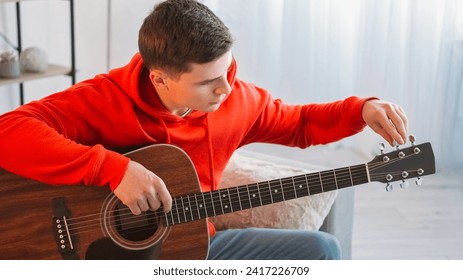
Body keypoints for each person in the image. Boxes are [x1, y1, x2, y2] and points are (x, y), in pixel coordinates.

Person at [0, 0, 407, 260]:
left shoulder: (236, 98)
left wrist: (362, 109)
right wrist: (114, 169)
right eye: (207, 81)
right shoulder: (102, 99)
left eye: (227, 69)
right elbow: (9, 130)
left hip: (196, 251)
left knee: (322, 251)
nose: (226, 88)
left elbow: (299, 123)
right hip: (101, 258)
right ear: (160, 79)